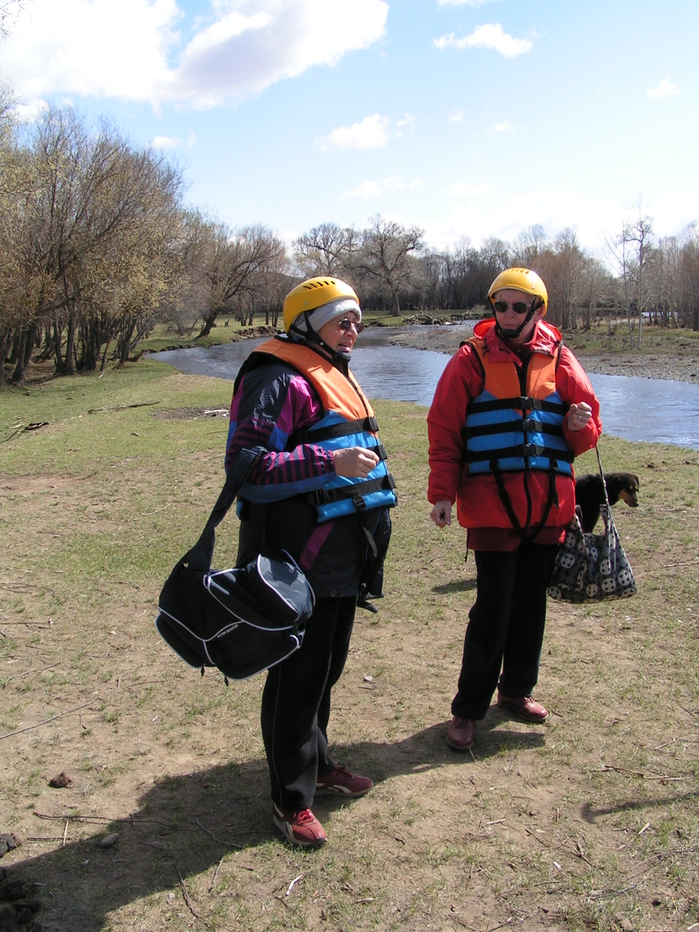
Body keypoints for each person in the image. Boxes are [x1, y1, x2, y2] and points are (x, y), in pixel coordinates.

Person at [225, 276, 396, 846]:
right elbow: (246, 465)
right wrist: (327, 461)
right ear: (305, 323)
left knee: (327, 669)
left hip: (344, 556)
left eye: (357, 322)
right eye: (342, 320)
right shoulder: (276, 377)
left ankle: (317, 766)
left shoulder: (330, 371)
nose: (354, 331)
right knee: (297, 678)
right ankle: (288, 801)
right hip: (297, 560)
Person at [427, 267, 601, 750]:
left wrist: (579, 424)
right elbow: (444, 431)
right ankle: (467, 711)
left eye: (516, 307)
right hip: (491, 507)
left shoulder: (562, 360)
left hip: (547, 510)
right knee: (493, 608)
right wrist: (442, 492)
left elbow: (586, 437)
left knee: (530, 606)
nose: (505, 315)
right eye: (499, 306)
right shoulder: (469, 361)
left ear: (537, 311)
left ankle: (517, 690)